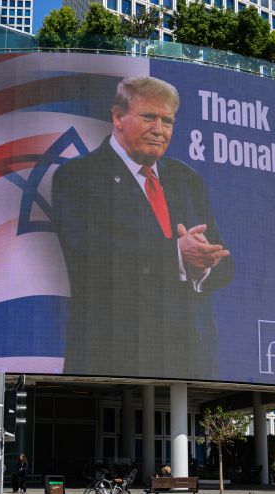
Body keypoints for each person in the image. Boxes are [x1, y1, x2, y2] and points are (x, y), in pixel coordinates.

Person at [53, 76, 234, 378]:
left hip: (190, 360)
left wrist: (203, 264)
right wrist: (177, 253)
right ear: (117, 118)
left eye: (168, 121)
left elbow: (225, 266)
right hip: (113, 361)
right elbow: (94, 258)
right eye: (149, 117)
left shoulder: (187, 180)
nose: (159, 131)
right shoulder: (79, 177)